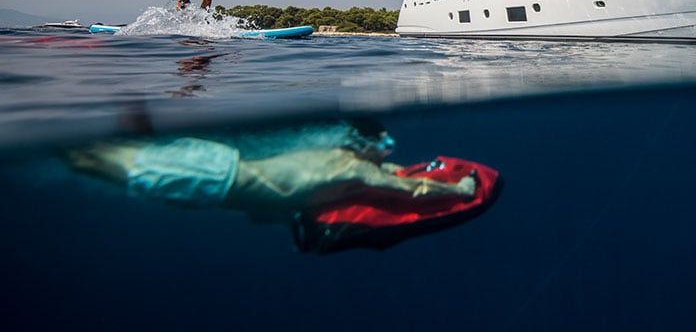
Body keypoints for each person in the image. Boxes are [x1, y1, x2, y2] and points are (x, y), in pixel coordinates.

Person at [63, 121, 476, 224]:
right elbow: (407, 190)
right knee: (91, 159)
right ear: (365, 146)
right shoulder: (356, 169)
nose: (389, 150)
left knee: (97, 155)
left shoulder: (342, 157)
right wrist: (459, 188)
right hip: (214, 178)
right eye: (383, 144)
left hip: (219, 165)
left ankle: (67, 149)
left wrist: (406, 169)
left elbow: (390, 172)